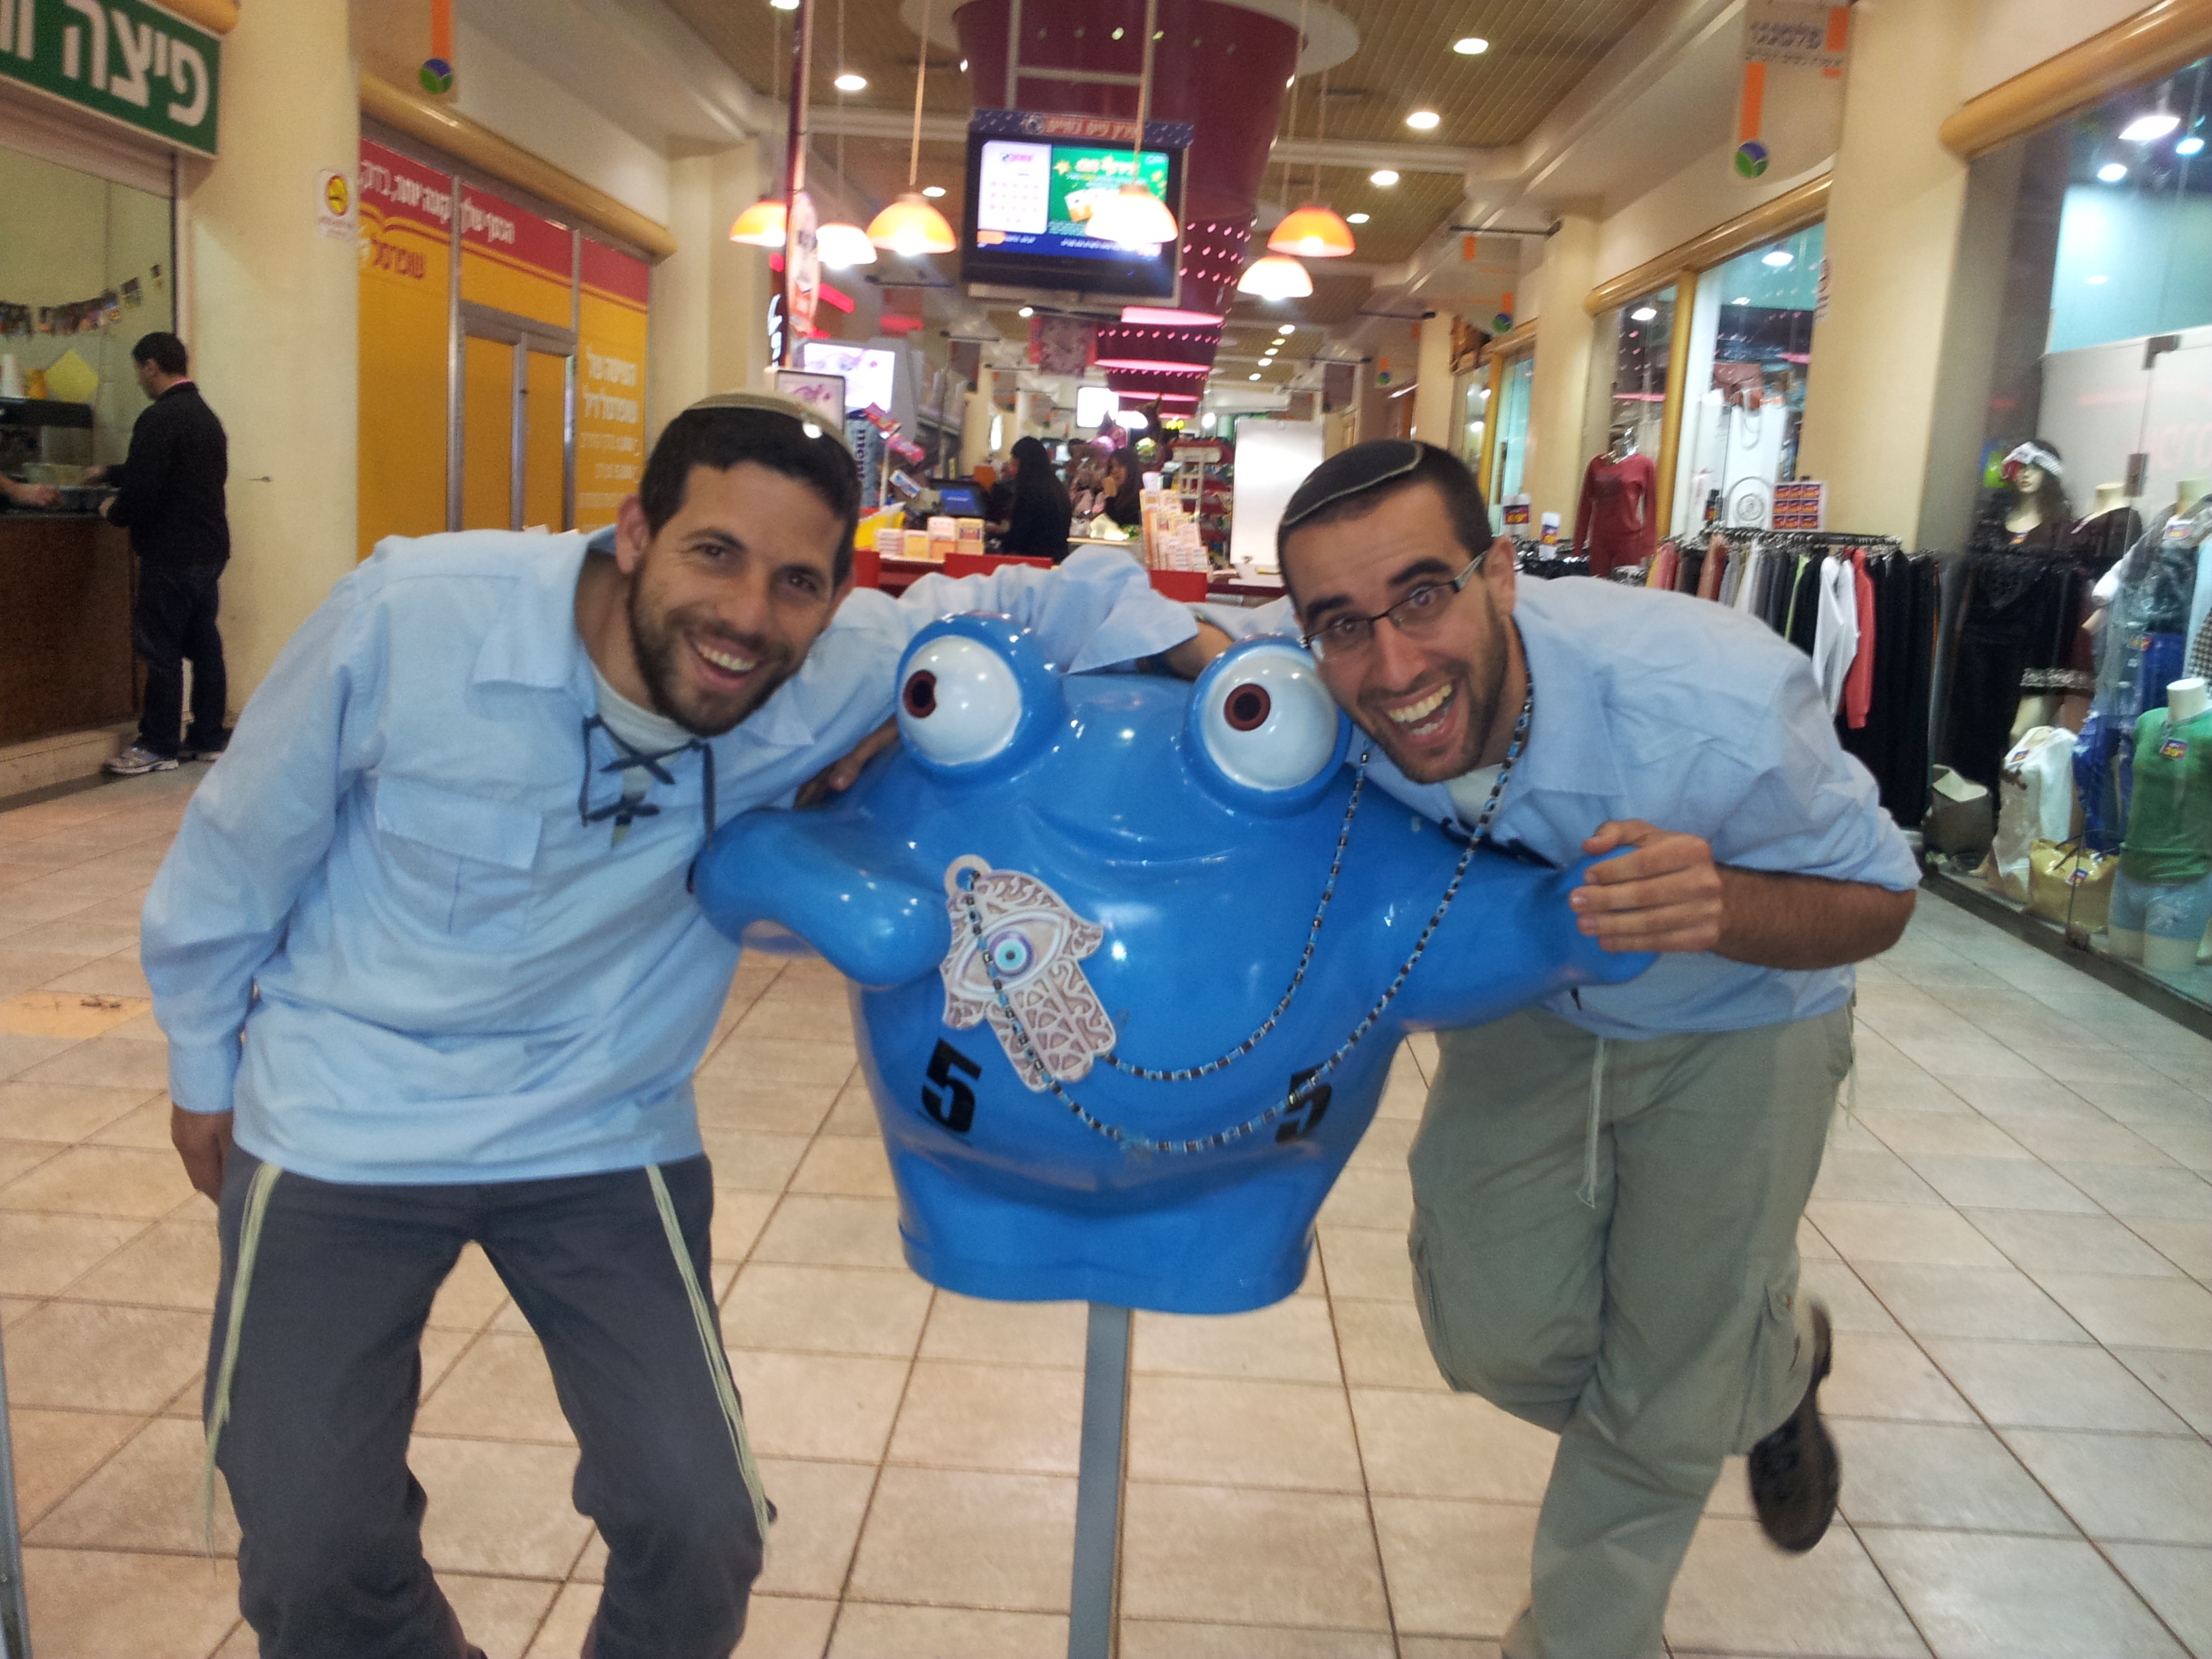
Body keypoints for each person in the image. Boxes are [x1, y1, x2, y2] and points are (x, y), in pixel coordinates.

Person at [142, 392, 1230, 1659]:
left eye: (797, 581)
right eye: (714, 552)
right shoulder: (414, 616)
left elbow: (1069, 597)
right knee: (311, 1545)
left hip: (602, 1130)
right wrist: (200, 1065)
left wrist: (1214, 660)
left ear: (834, 597)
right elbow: (238, 847)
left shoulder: (829, 664)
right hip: (343, 1116)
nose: (747, 616)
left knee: (701, 1527)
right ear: (633, 534)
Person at [1240, 440, 1919, 1659]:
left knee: (1664, 1393)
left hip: (1743, 1020)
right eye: (1340, 623)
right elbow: (1099, 617)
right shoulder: (1311, 686)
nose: (1392, 666)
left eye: (1422, 595)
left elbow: (1881, 901)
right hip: (1535, 1002)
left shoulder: (1714, 704)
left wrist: (1721, 902)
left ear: (1499, 574)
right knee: (1490, 1331)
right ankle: (1769, 1367)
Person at [94, 331, 232, 774]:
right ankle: (208, 737)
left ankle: (158, 745)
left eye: (139, 370)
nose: (139, 380)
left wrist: (113, 511)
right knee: (204, 644)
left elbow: (145, 486)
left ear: (151, 366)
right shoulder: (206, 417)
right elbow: (175, 470)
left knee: (161, 647)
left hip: (171, 552)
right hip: (208, 549)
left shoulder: (159, 417)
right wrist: (108, 471)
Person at [992, 434, 1073, 562]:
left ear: (1024, 464)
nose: (1013, 469)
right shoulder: (1056, 486)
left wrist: (997, 535)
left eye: (1015, 464)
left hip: (1032, 563)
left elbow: (1019, 539)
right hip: (1055, 561)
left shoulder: (1030, 491)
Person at [1103, 452, 1145, 530]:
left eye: (1120, 466)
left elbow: (1117, 525)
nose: (1114, 471)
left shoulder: (1140, 499)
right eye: (1111, 467)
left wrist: (1110, 497)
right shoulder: (1117, 497)